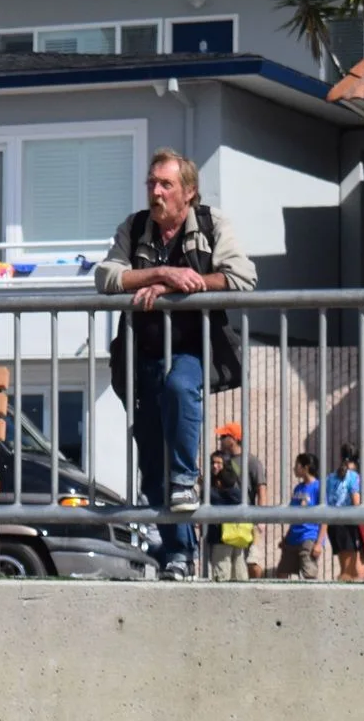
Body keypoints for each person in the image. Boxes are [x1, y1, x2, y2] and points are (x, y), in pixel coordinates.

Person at [95, 148, 256, 581]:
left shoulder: (211, 223)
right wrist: (160, 275)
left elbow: (243, 276)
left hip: (192, 350)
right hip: (141, 356)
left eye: (166, 184)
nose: (156, 191)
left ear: (188, 192)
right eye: (152, 183)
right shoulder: (134, 227)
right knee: (152, 469)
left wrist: (190, 284)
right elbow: (105, 276)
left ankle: (186, 477)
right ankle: (178, 555)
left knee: (180, 388)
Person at [204, 425, 253, 583]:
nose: (215, 466)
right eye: (213, 463)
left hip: (226, 533)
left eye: (219, 463)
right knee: (234, 568)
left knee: (226, 570)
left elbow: (235, 499)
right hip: (227, 533)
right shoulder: (215, 482)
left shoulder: (230, 484)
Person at [273, 452, 324, 581]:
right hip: (293, 538)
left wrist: (319, 543)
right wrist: (287, 537)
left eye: (297, 465)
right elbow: (294, 516)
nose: (294, 468)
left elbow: (325, 518)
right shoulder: (298, 488)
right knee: (282, 572)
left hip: (309, 537)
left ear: (305, 468)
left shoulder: (318, 487)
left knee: (309, 574)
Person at [331, 444, 364, 583]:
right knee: (349, 571)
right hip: (349, 525)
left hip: (335, 523)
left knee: (349, 570)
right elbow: (356, 502)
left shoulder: (332, 476)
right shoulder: (354, 477)